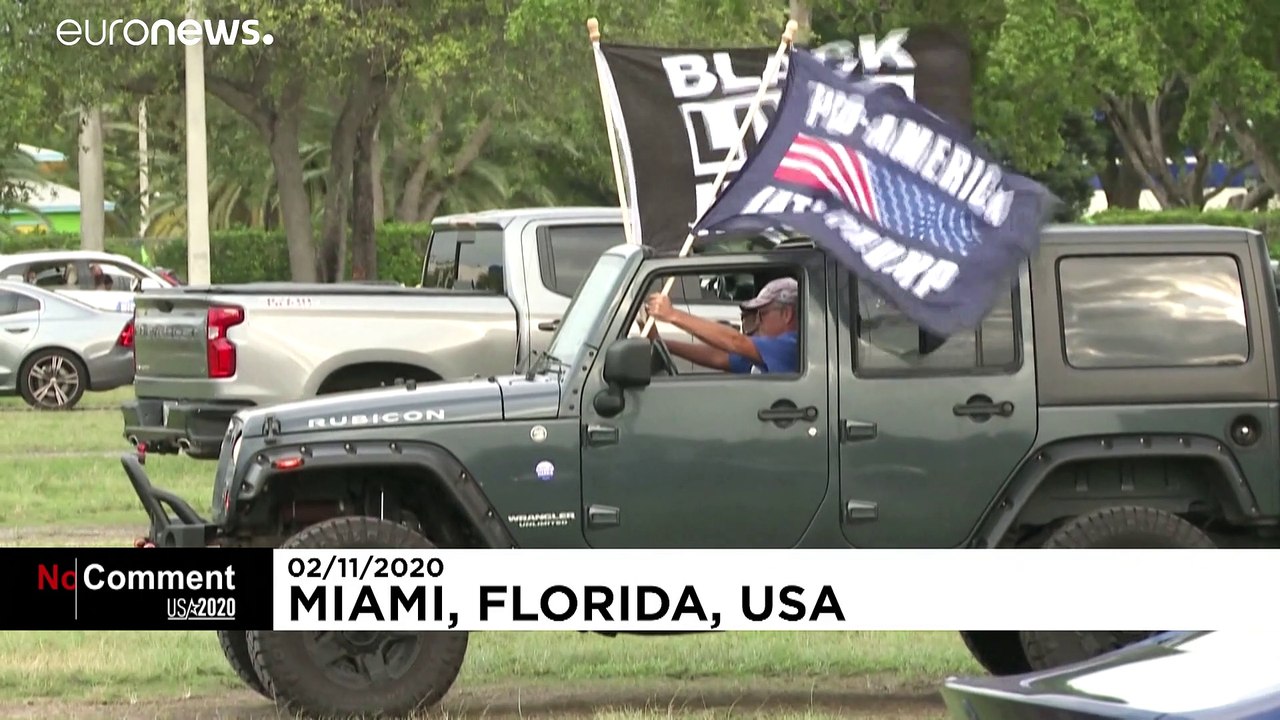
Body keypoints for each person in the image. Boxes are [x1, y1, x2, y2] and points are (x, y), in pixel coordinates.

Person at [643, 277, 800, 374]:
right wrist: (661, 343)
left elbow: (736, 341)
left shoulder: (791, 345)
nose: (758, 322)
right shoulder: (768, 353)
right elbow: (718, 357)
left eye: (762, 314)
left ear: (786, 314)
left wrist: (673, 315)